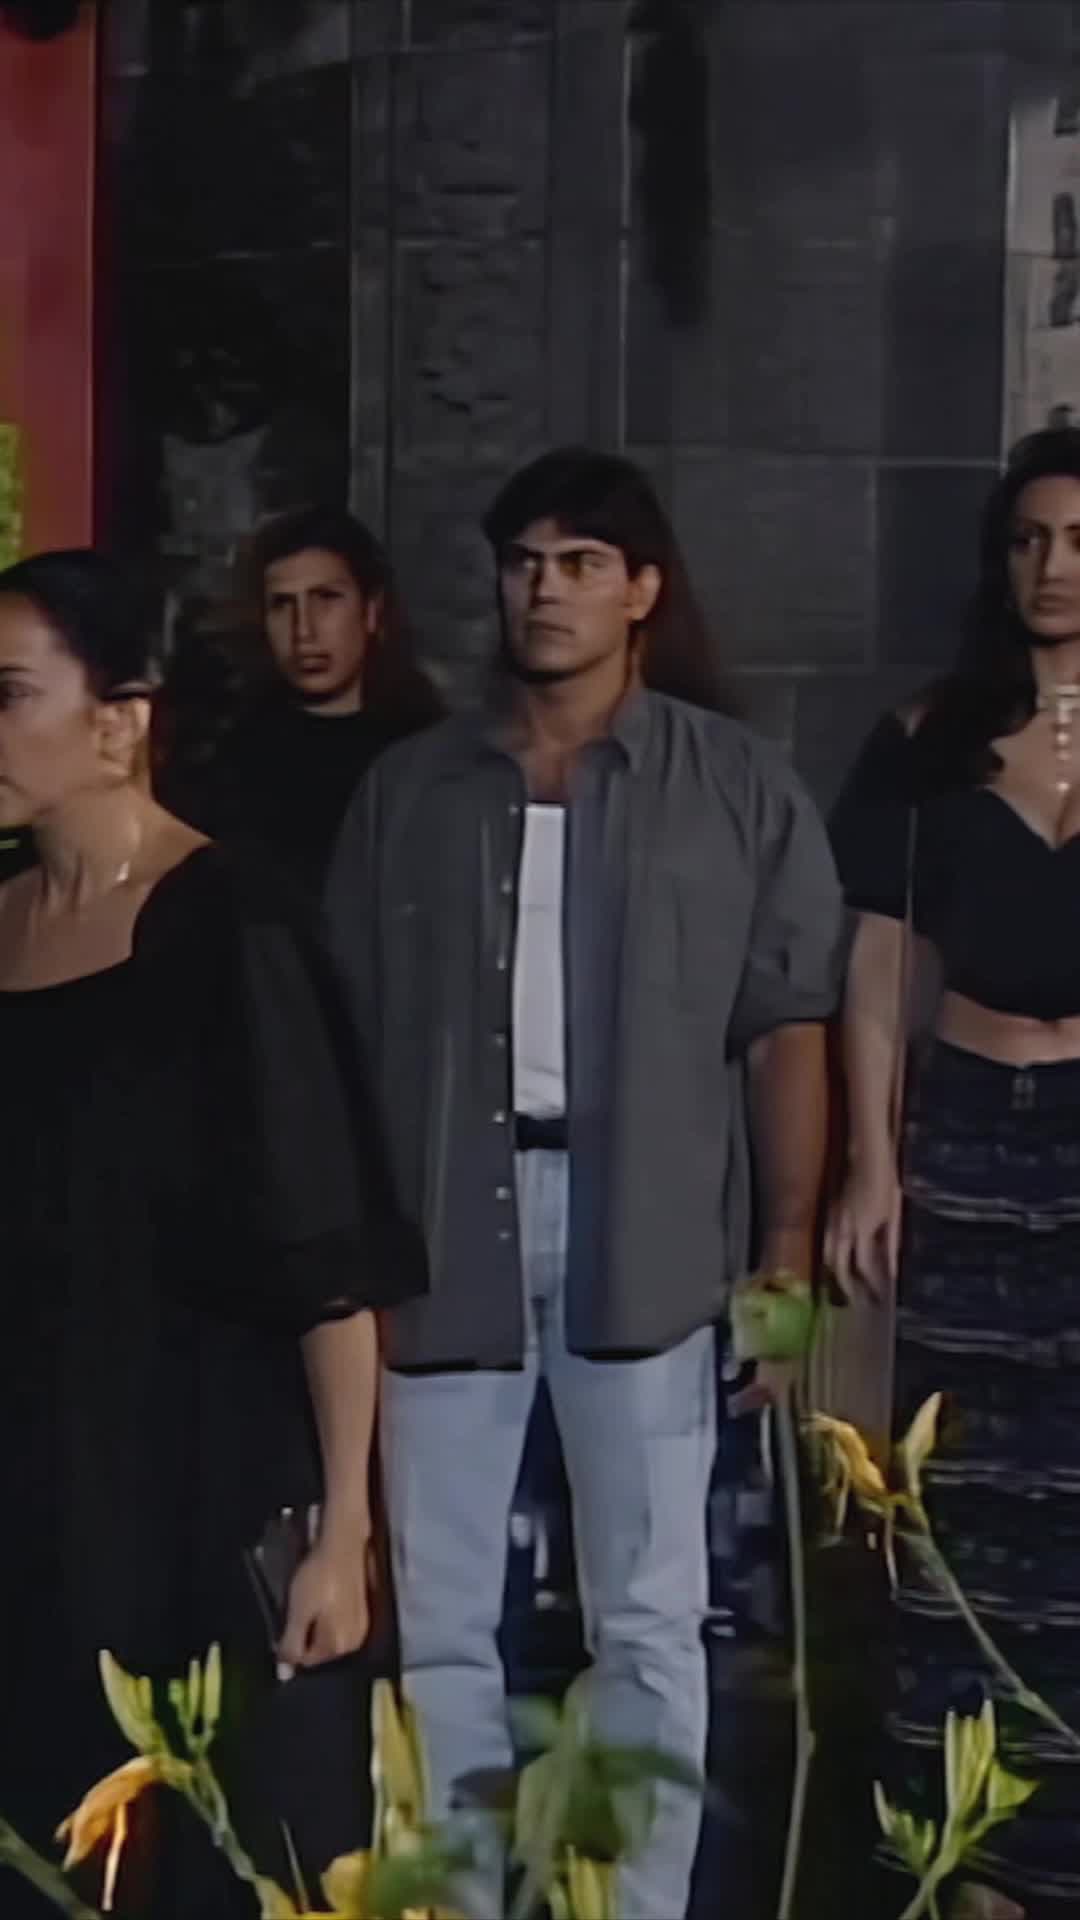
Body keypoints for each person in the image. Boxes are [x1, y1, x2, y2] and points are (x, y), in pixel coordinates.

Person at [326, 446, 845, 1919]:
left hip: (654, 1235)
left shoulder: (729, 783)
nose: (545, 591)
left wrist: (787, 1257)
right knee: (442, 1618)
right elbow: (346, 1036)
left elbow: (786, 1027)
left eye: (581, 564)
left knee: (653, 1615)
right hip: (445, 1230)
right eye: (524, 563)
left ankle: (636, 1901)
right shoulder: (413, 789)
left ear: (643, 591)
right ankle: (458, 1898)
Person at [0, 550, 424, 1918]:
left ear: (119, 719)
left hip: (193, 1464)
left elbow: (329, 1254)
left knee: (198, 1843)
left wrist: (345, 1527)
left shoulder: (235, 925)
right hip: (30, 1467)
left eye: (8, 695)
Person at [827, 427, 1080, 1918]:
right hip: (973, 1126)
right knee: (965, 1495)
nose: (1055, 568)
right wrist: (872, 1159)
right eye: (1031, 539)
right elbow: (874, 963)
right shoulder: (929, 736)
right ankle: (966, 1866)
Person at [161, 505, 439, 889]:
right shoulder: (230, 761)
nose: (303, 630)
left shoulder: (426, 757)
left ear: (371, 612)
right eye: (283, 604)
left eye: (326, 598)